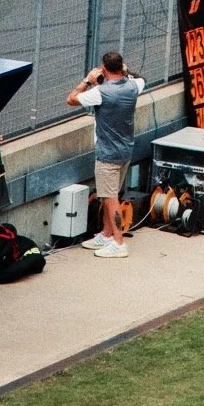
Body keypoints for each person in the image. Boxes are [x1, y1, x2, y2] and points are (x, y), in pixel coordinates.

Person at [66, 52, 144, 258]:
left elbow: (71, 99)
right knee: (112, 196)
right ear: (122, 67)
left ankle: (119, 242)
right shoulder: (134, 86)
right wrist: (127, 72)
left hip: (107, 154)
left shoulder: (101, 92)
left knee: (109, 199)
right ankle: (106, 234)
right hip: (125, 150)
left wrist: (87, 80)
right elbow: (141, 78)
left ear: (104, 68)